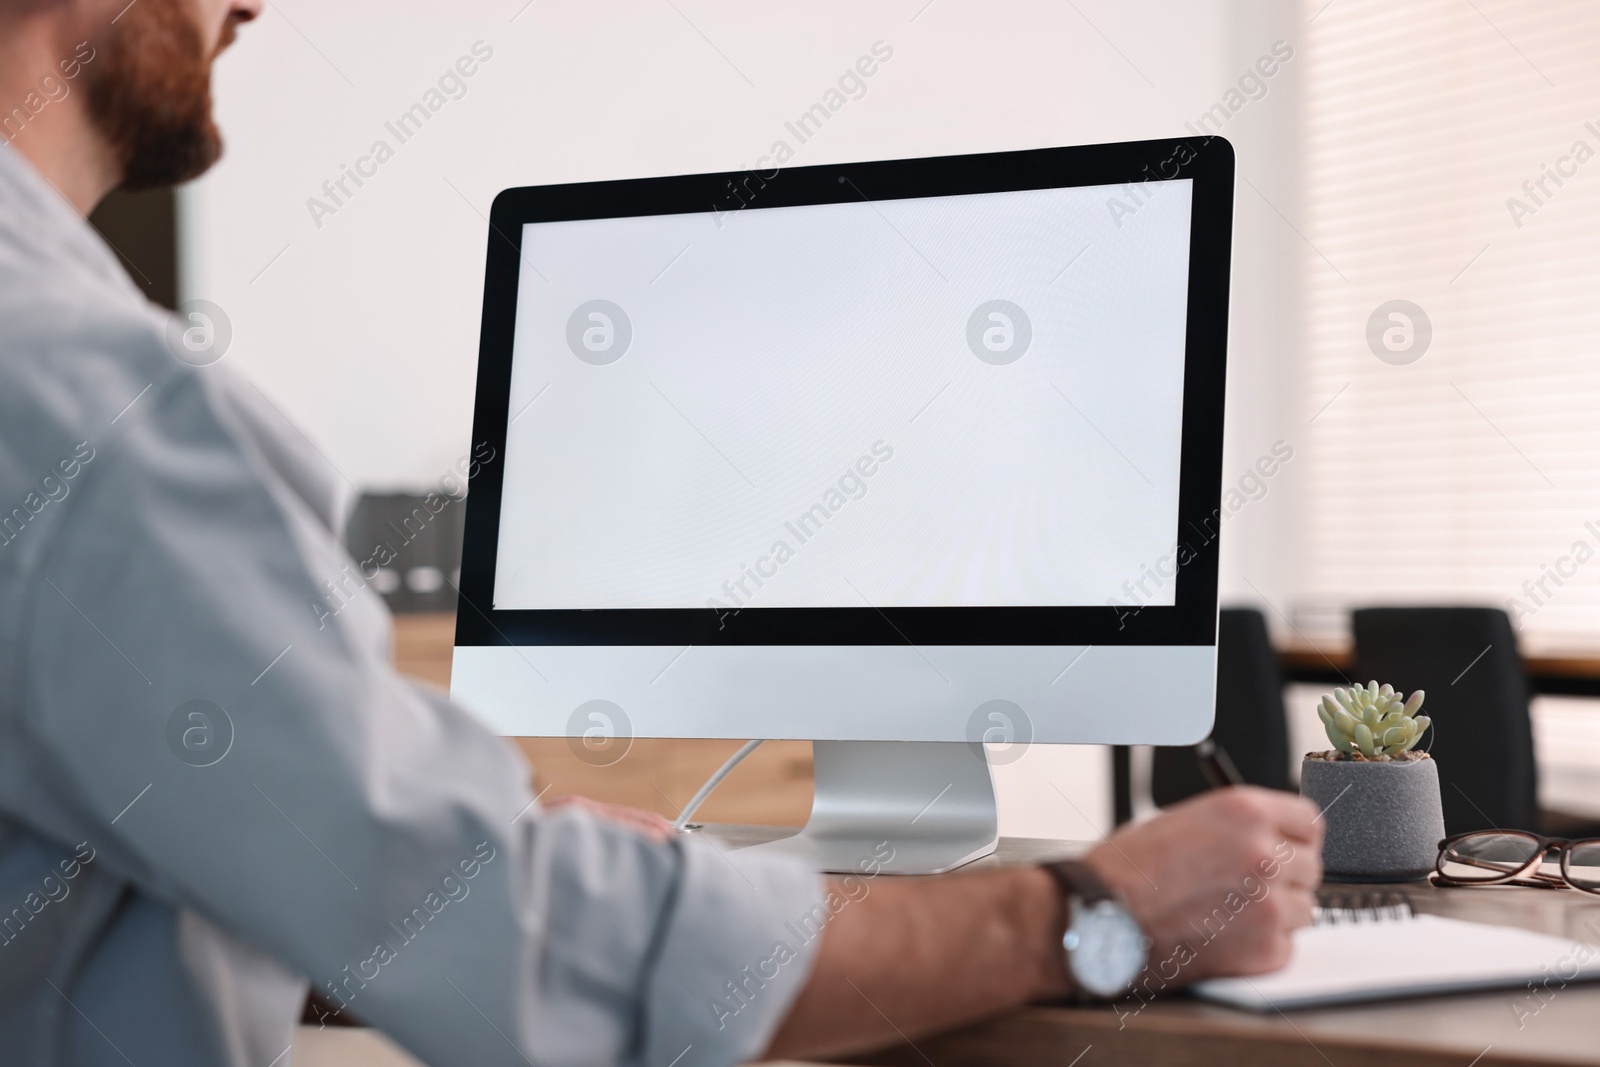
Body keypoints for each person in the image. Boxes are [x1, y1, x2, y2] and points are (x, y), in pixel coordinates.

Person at [0, 1, 1324, 1064]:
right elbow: (501, 938)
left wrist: (493, 850)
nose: (252, 5)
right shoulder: (81, 400)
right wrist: (1089, 913)